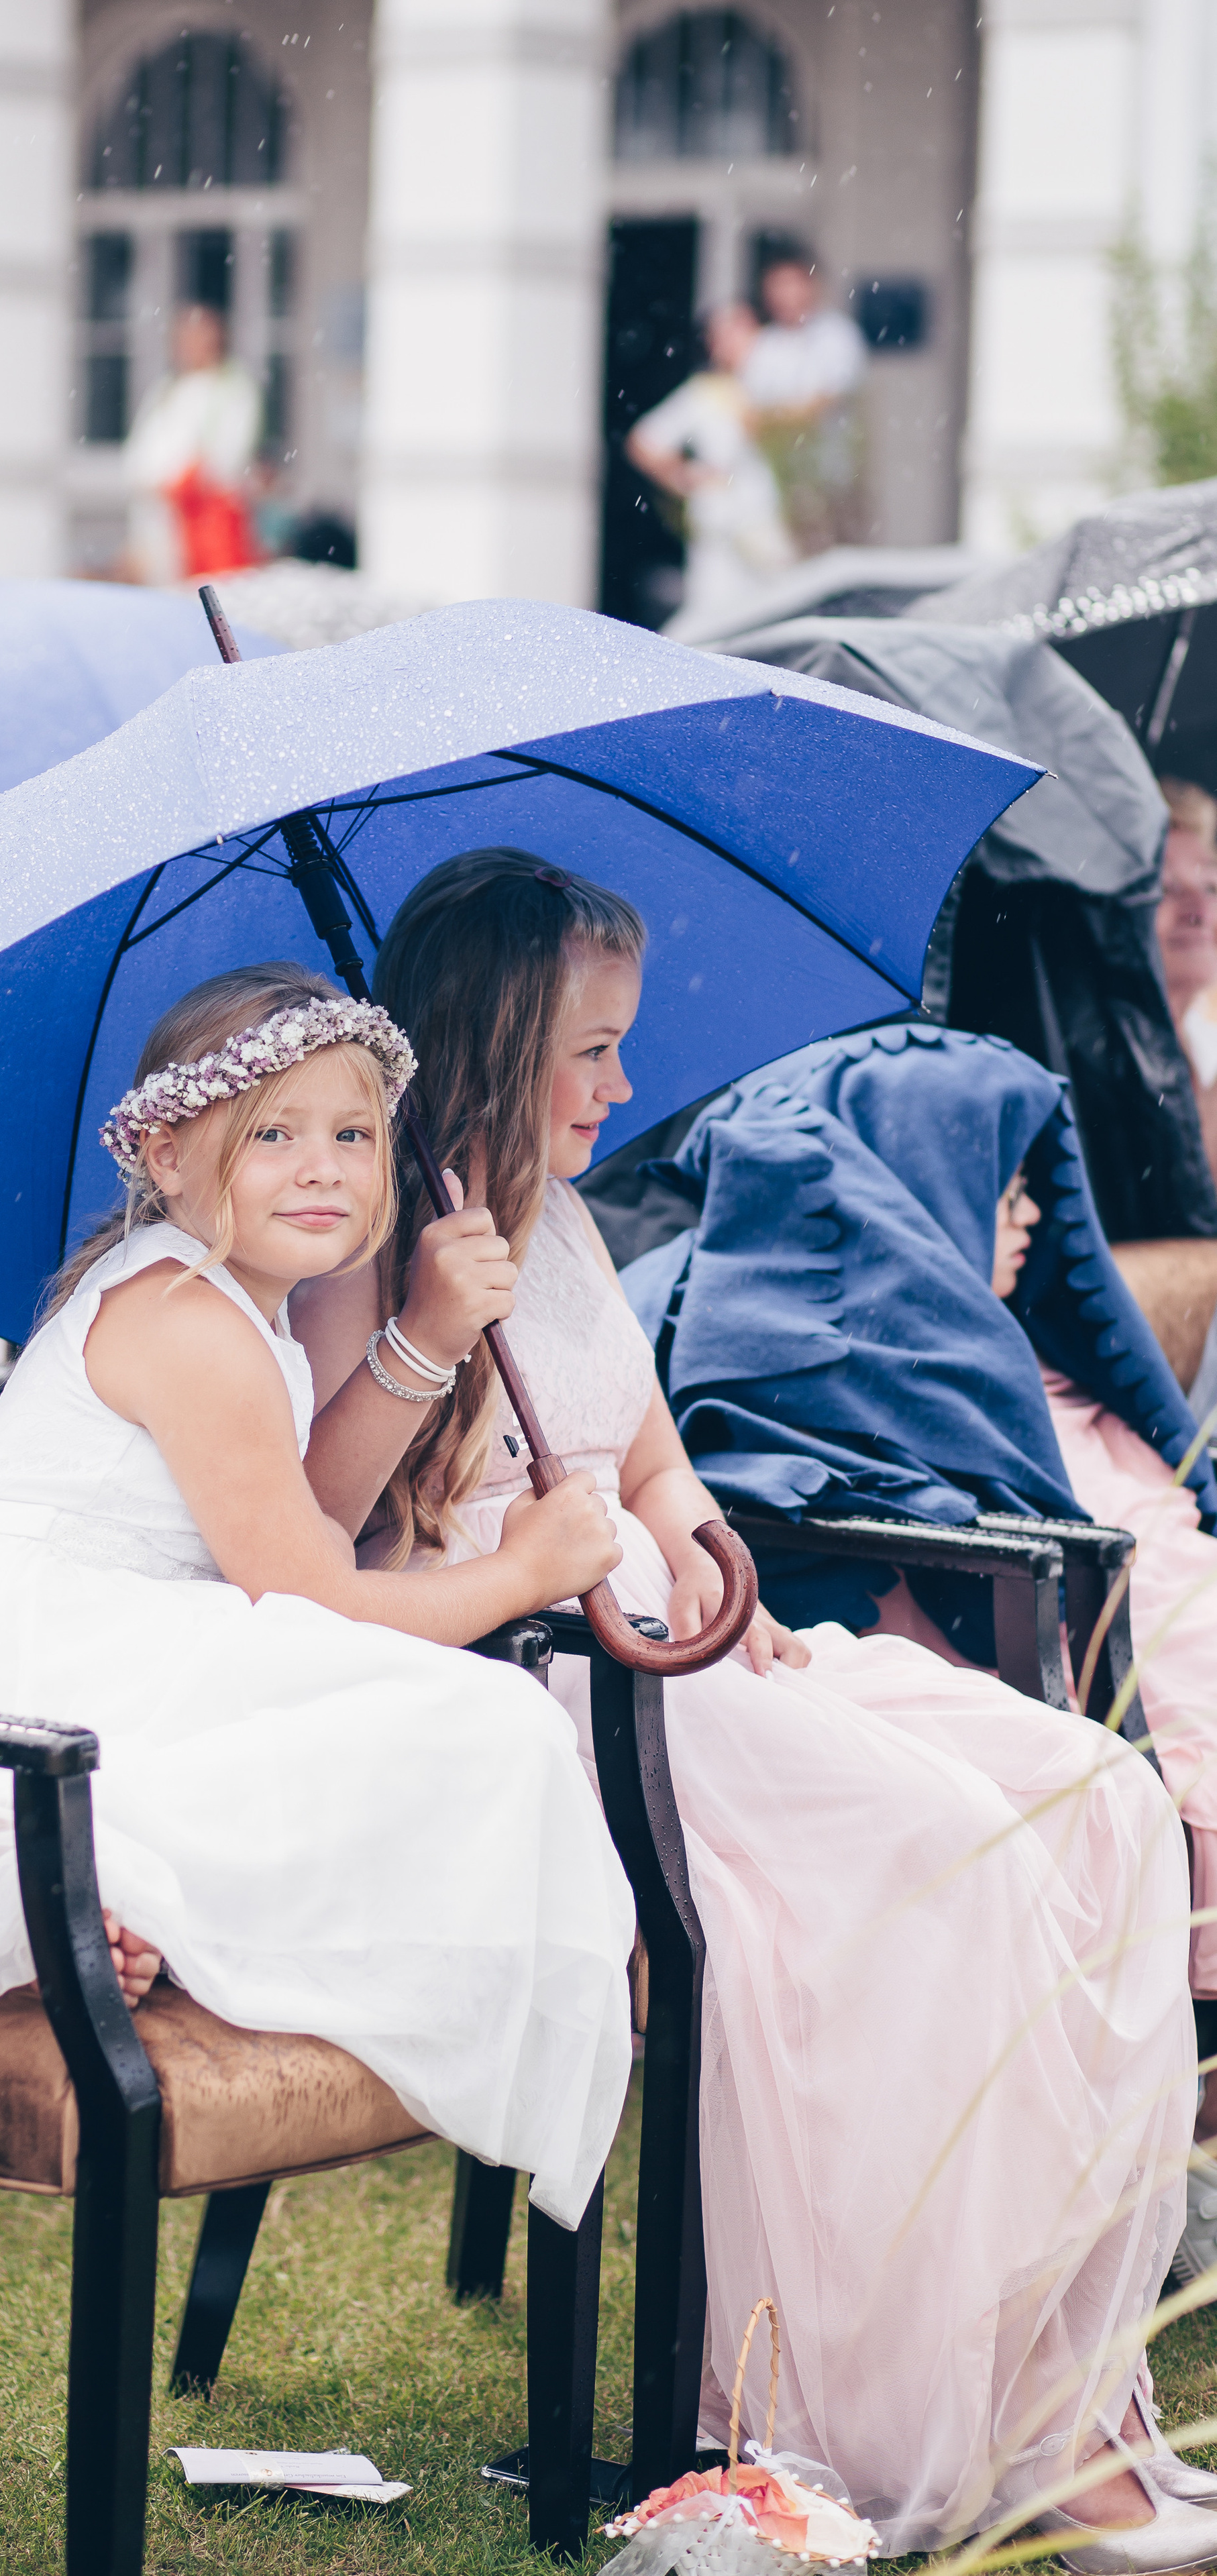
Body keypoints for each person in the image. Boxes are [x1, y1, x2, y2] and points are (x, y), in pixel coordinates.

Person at [290, 851, 1206, 2565]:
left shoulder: (560, 1221)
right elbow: (319, 1529)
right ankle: (930, 2409)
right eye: (588, 1051)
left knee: (1092, 1798)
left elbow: (645, 1451)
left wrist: (715, 1557)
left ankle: (1060, 2383)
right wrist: (422, 1331)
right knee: (947, 1857)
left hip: (685, 1640)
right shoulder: (370, 1243)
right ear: (494, 1041)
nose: (619, 1084)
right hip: (544, 1696)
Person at [0, 963, 638, 2232]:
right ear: (168, 1157)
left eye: (353, 1135)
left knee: (436, 1728)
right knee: (493, 1724)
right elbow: (309, 1591)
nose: (324, 1170)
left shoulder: (238, 1305)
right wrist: (519, 1576)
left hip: (112, 1639)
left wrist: (426, 1332)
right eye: (273, 1136)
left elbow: (310, 1516)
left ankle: (107, 1895)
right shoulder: (187, 1321)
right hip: (45, 1662)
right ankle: (69, 1889)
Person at [620, 1022, 1217, 2274]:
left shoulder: (1052, 1382)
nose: (1032, 1219)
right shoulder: (846, 1372)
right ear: (911, 1179)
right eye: (1001, 1190)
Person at [627, 305, 794, 631]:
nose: (734, 342)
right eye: (724, 335)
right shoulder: (705, 394)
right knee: (714, 617)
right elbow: (643, 442)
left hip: (771, 522)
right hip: (721, 528)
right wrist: (683, 476)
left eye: (742, 332)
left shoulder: (780, 390)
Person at [123, 306, 261, 585]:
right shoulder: (167, 388)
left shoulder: (231, 388)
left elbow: (228, 454)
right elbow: (143, 448)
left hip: (205, 515)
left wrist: (185, 481)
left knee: (210, 587)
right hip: (161, 512)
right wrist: (150, 481)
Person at [742, 254, 868, 553]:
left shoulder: (837, 335)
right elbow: (748, 414)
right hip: (781, 482)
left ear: (811, 286)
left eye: (790, 284)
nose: (783, 295)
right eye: (776, 286)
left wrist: (776, 417)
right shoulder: (766, 344)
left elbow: (824, 402)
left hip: (832, 477)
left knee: (838, 557)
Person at [1155, 777, 1217, 1182]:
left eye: (1211, 886)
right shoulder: (1091, 1068)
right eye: (1166, 888)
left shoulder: (1205, 1047)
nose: (1199, 910)